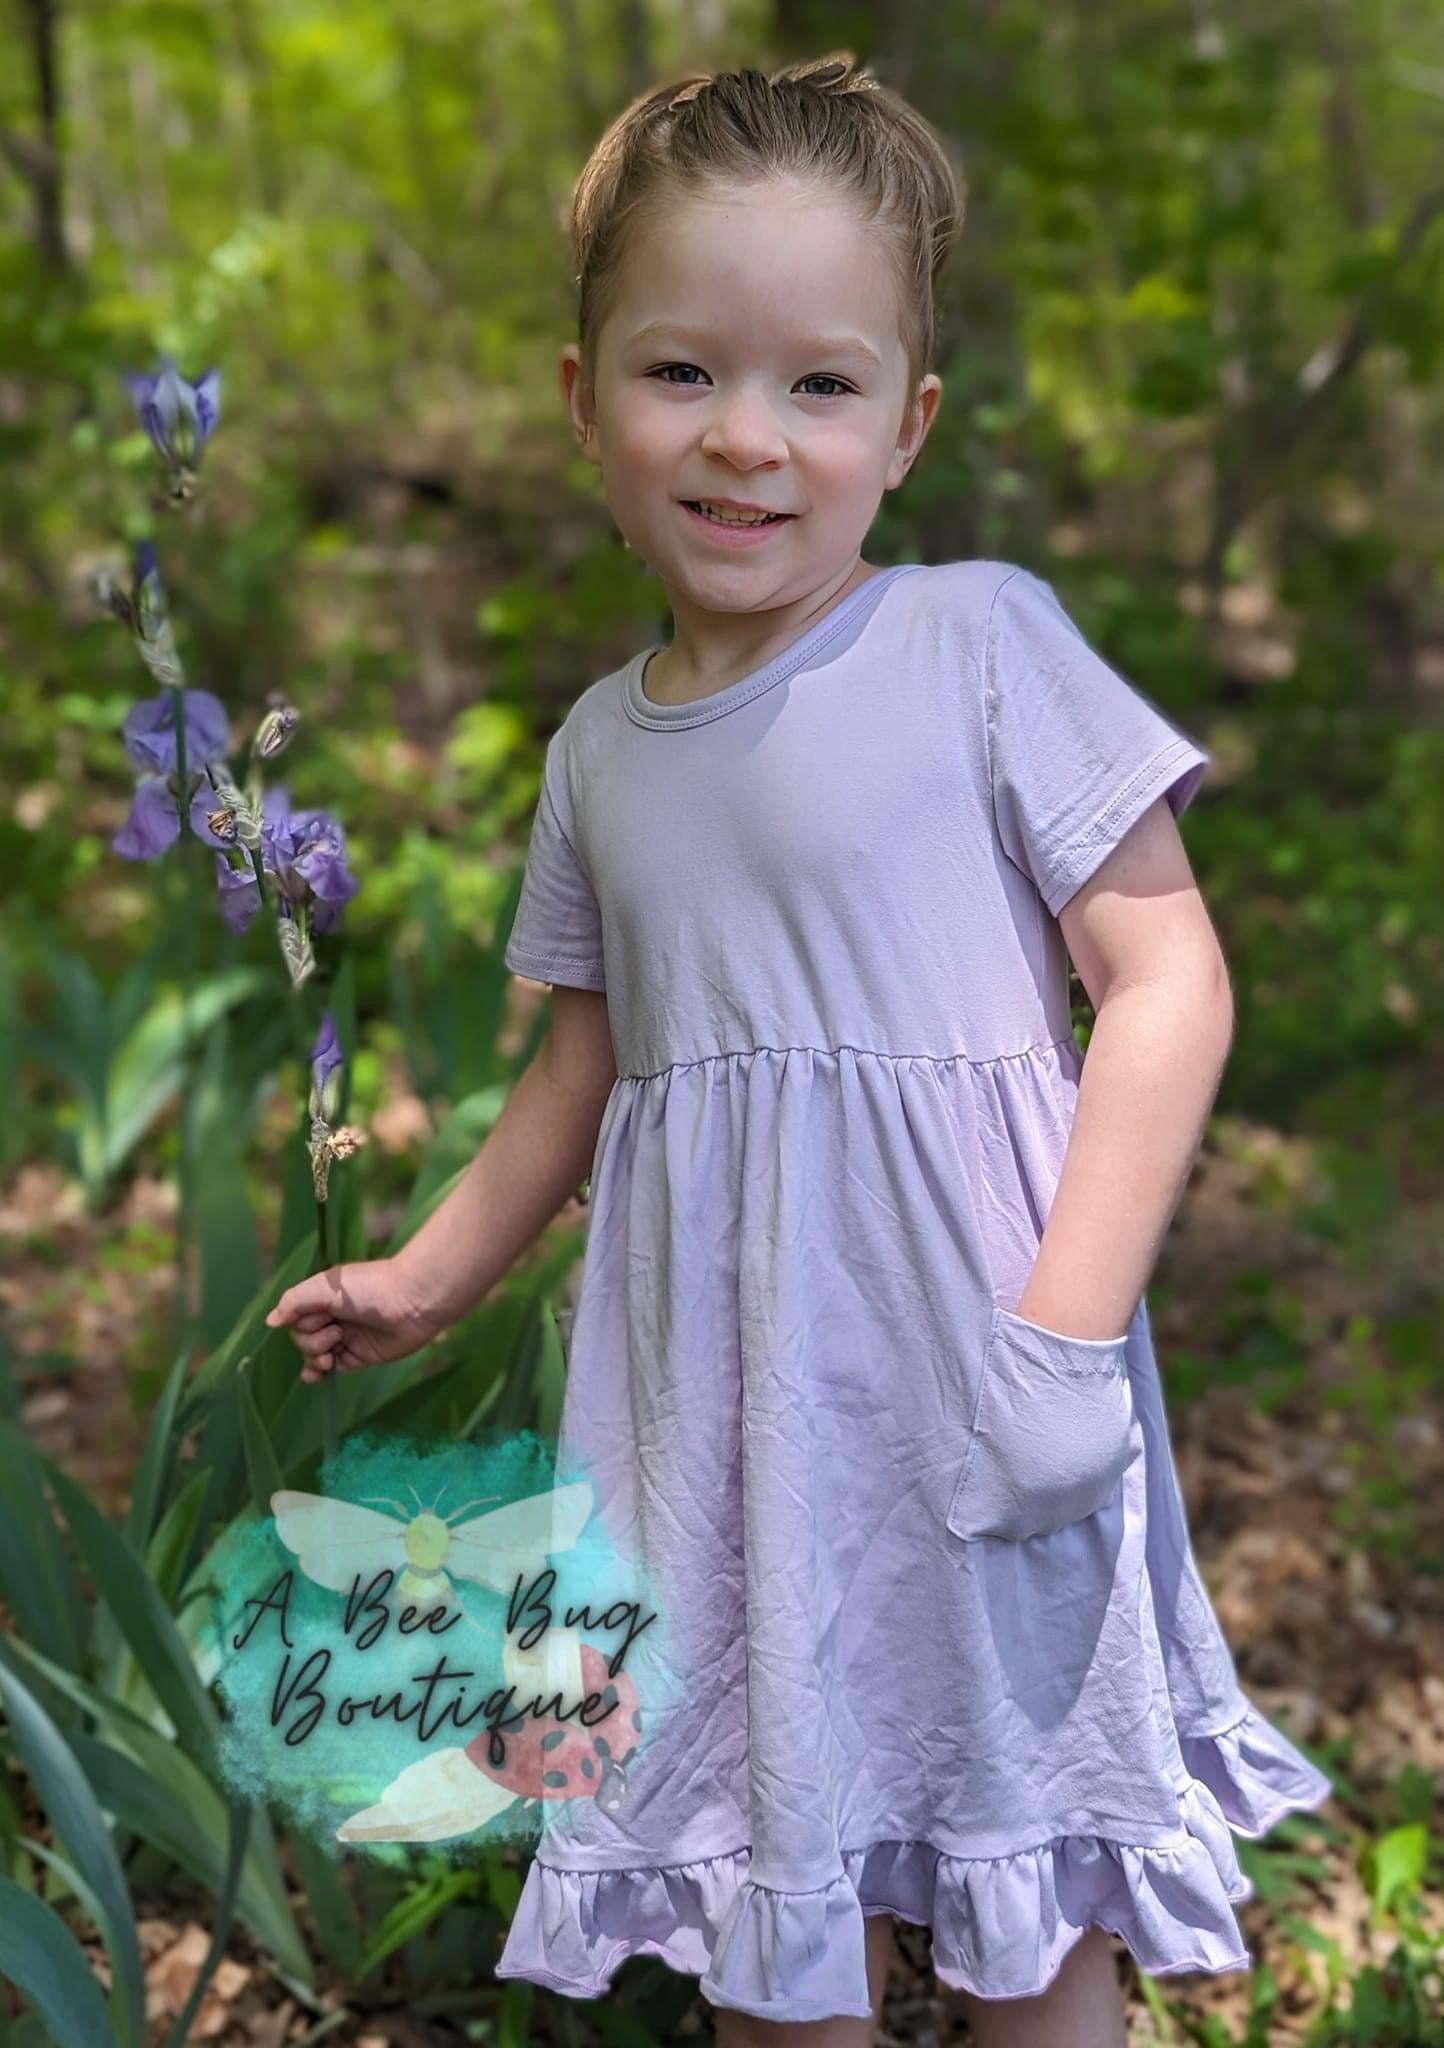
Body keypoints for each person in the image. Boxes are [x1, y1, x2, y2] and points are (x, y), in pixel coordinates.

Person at [265, 54, 1333, 2048]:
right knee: (769, 1863)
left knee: (1030, 1893)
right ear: (581, 398)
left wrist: (1060, 1335)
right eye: (682, 374)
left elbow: (1167, 979)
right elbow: (588, 1074)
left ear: (906, 424)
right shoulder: (597, 750)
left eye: (817, 387)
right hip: (716, 1402)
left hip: (978, 1367)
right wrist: (426, 1274)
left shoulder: (977, 645)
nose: (746, 438)